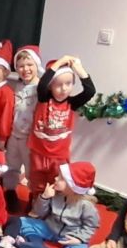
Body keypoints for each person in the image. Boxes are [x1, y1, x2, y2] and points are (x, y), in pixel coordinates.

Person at [28, 55, 96, 205]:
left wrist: (78, 68)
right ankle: (35, 203)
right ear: (50, 86)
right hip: (39, 152)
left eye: (68, 83)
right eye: (58, 85)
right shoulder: (44, 98)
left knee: (57, 183)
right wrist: (61, 61)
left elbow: (90, 91)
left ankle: (53, 208)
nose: (64, 89)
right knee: (37, 181)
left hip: (59, 155)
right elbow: (42, 83)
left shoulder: (72, 103)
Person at [15, 161, 100, 248]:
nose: (55, 178)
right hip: (49, 228)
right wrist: (44, 197)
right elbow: (39, 212)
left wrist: (79, 239)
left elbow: (91, 226)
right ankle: (36, 243)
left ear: (71, 186)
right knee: (22, 221)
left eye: (61, 178)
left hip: (69, 236)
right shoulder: (55, 194)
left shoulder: (86, 205)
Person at [1, 45, 43, 211]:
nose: (25, 69)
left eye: (29, 65)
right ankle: (10, 192)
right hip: (14, 134)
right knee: (11, 165)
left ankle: (34, 197)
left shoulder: (41, 88)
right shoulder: (17, 86)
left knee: (31, 169)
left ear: (36, 65)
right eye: (20, 66)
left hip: (30, 138)